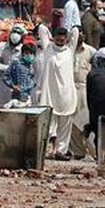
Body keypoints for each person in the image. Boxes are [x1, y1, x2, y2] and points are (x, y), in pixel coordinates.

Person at [38, 27, 79, 160]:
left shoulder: (70, 50)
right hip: (50, 94)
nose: (60, 40)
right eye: (58, 37)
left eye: (63, 37)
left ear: (66, 38)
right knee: (48, 126)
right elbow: (42, 29)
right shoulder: (48, 49)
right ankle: (46, 151)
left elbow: (75, 32)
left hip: (66, 95)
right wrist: (51, 35)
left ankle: (61, 151)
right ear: (53, 37)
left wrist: (70, 30)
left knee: (65, 126)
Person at [71, 27, 97, 159]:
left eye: (82, 33)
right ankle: (78, 151)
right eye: (77, 33)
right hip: (71, 89)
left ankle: (92, 151)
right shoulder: (69, 51)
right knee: (72, 121)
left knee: (87, 121)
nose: (79, 36)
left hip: (86, 89)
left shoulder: (91, 51)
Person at [0, 24, 25, 106]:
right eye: (14, 31)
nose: (15, 34)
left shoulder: (23, 50)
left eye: (18, 33)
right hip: (1, 83)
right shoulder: (1, 46)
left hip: (16, 85)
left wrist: (4, 67)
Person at [2, 36, 37, 108]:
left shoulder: (33, 66)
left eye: (31, 53)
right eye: (27, 53)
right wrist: (13, 86)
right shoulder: (16, 63)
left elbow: (34, 81)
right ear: (22, 53)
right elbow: (6, 76)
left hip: (28, 97)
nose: (29, 55)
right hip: (17, 96)